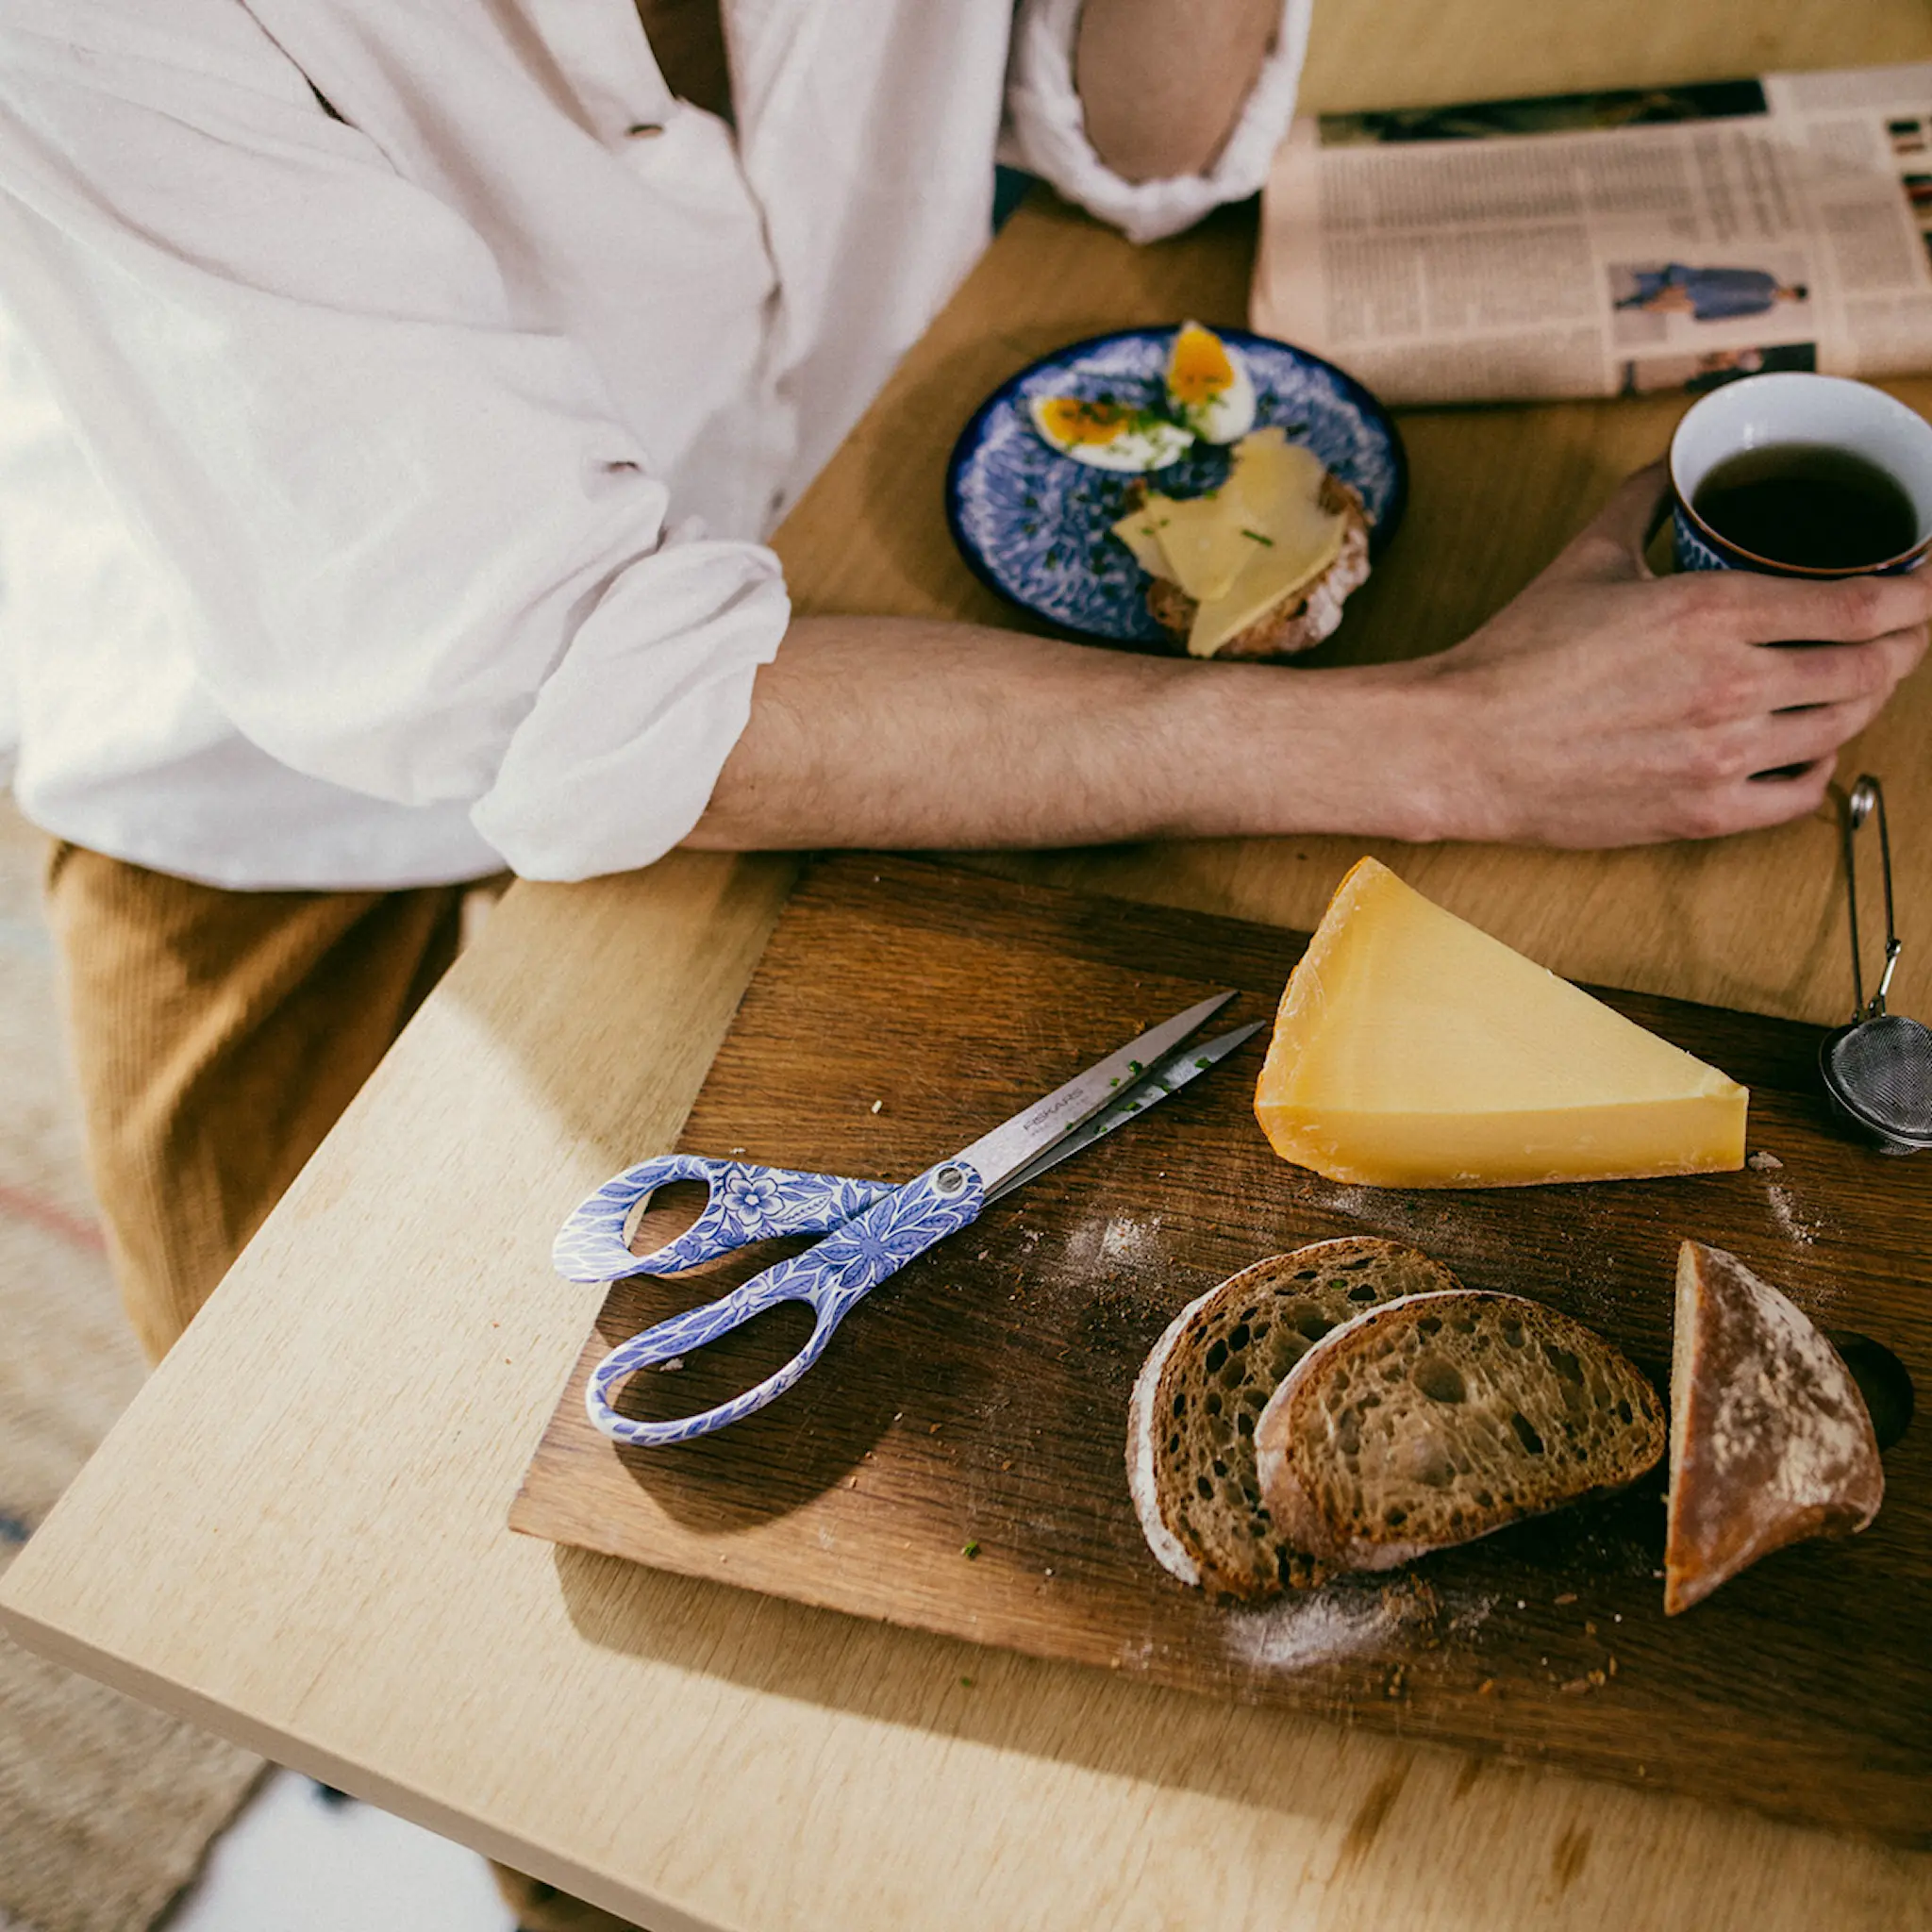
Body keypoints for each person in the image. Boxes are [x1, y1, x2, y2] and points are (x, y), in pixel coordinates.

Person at [2, 9, 1928, 1923]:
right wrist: (1455, 742)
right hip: (278, 787)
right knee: (416, 1632)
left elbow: (1132, 138)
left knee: (797, 1811)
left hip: (830, 580)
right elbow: (568, 684)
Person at [1617, 263, 1809, 323]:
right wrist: (1699, 276)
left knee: (1658, 306)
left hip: (1707, 304)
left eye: (1793, 298)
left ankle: (1627, 305)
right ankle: (1629, 296)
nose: (1789, 295)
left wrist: (1709, 316)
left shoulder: (1765, 306)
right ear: (1791, 287)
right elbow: (1733, 272)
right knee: (1663, 291)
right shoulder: (1765, 278)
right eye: (1792, 292)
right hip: (1704, 287)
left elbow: (1736, 313)